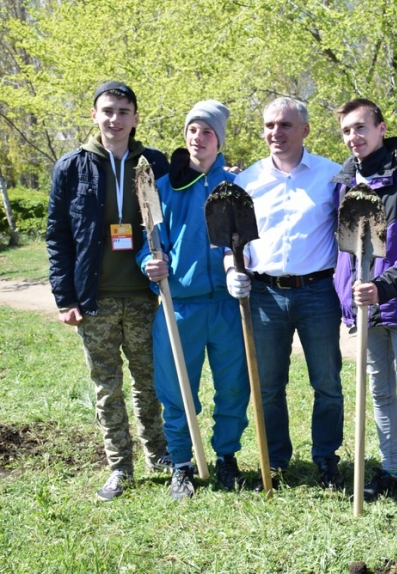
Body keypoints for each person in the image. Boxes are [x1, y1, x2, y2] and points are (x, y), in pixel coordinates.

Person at [47, 81, 171, 502]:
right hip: (94, 298)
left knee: (149, 382)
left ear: (136, 117)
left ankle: (162, 457)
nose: (114, 119)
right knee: (107, 386)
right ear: (94, 115)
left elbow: (172, 225)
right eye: (107, 111)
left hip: (145, 296)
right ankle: (120, 467)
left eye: (123, 111)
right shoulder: (72, 166)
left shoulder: (153, 163)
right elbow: (57, 235)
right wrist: (65, 297)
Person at [224, 97, 344, 490]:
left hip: (317, 292)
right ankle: (274, 461)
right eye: (270, 125)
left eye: (286, 125)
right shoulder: (247, 181)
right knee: (269, 385)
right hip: (264, 295)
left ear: (305, 130)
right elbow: (232, 243)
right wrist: (231, 271)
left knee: (326, 382)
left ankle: (326, 459)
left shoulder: (332, 175)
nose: (276, 132)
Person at [138, 100, 251, 499]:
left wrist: (241, 269)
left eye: (206, 132)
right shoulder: (164, 189)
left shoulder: (234, 187)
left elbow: (246, 242)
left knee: (235, 386)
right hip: (179, 305)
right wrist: (151, 266)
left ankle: (226, 458)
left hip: (227, 305)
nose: (197, 138)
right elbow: (149, 245)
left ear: (219, 139)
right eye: (192, 131)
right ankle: (182, 463)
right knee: (176, 388)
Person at [332, 98, 397, 519]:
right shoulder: (345, 182)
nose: (354, 137)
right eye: (346, 131)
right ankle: (391, 469)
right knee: (378, 392)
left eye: (361, 128)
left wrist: (384, 286)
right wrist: (350, 293)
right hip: (365, 307)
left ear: (381, 128)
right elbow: (343, 249)